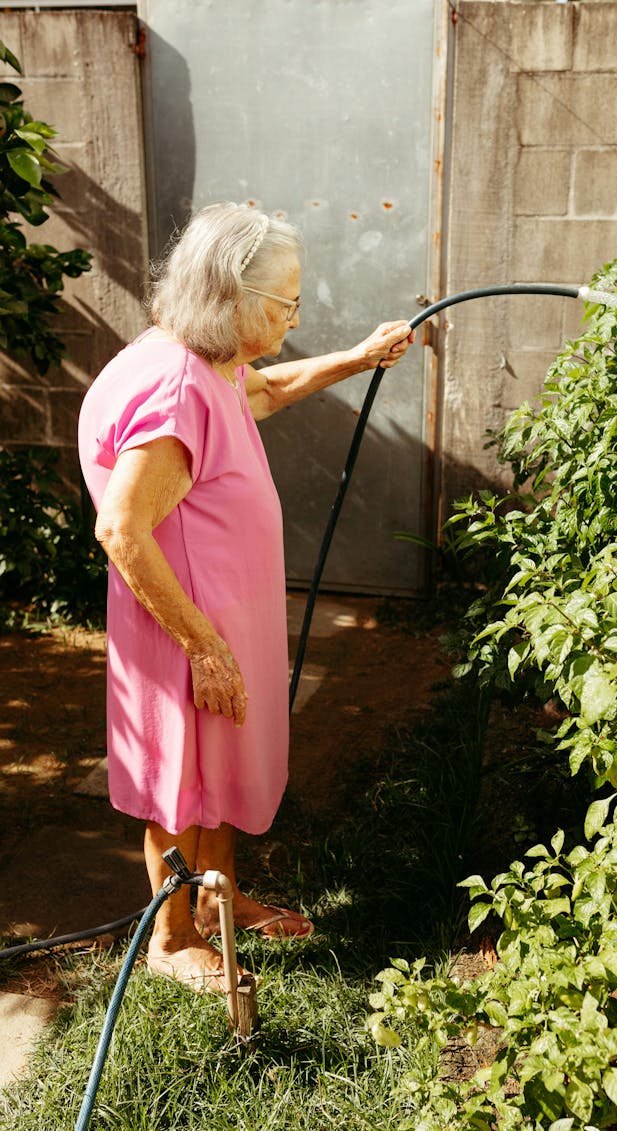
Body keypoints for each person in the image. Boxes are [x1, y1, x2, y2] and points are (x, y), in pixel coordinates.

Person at [78, 202, 415, 991]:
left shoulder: (206, 359)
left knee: (216, 765)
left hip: (218, 618)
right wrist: (202, 642)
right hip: (184, 628)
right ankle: (171, 936)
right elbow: (121, 530)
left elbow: (262, 391)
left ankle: (220, 896)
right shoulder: (172, 388)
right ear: (231, 295)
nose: (295, 316)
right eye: (286, 302)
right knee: (180, 778)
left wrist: (359, 357)